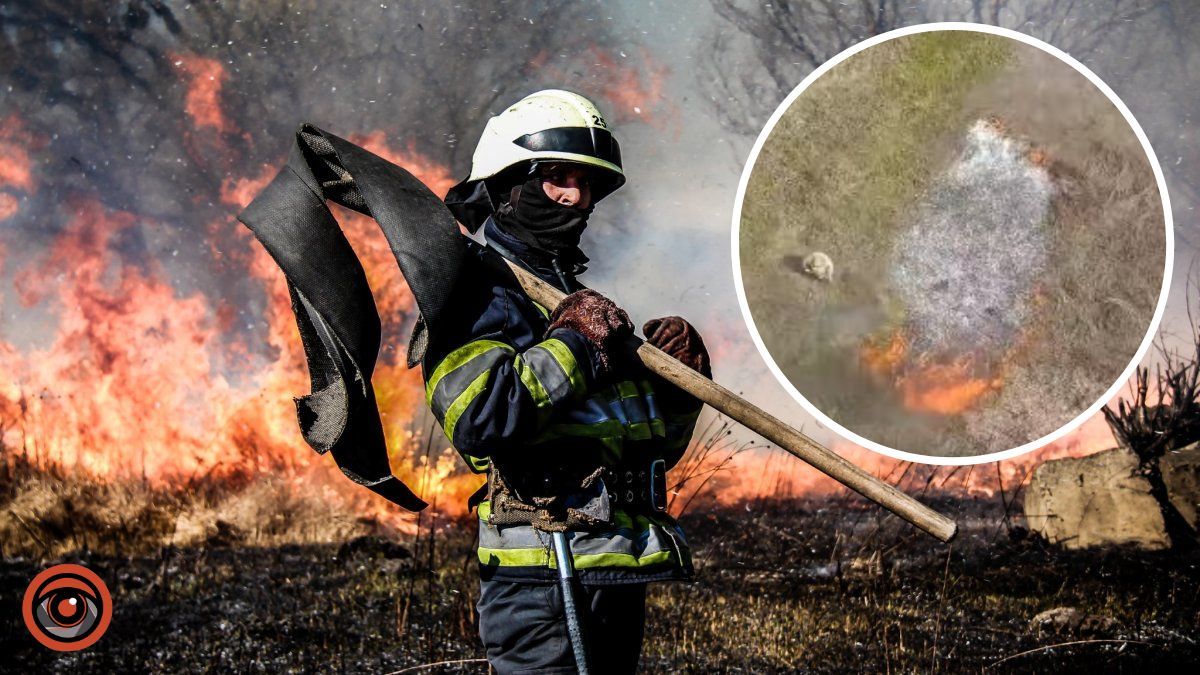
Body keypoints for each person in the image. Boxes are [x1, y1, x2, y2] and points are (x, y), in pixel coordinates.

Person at [427, 89, 711, 673]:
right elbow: (480, 419)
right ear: (507, 186)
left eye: (585, 183)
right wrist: (577, 345)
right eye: (556, 177)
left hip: (613, 574)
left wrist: (677, 394)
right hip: (542, 580)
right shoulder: (476, 295)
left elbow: (646, 447)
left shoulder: (575, 305)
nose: (575, 197)